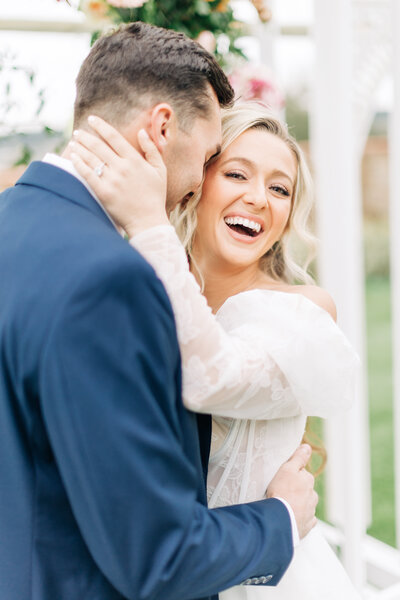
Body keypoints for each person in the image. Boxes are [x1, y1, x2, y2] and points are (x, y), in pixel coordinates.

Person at [0, 23, 318, 600]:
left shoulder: (9, 223)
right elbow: (157, 555)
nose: (199, 180)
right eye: (210, 158)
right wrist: (282, 519)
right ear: (163, 128)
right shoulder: (110, 279)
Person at [69, 101, 362, 599]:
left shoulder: (302, 313)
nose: (258, 198)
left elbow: (211, 378)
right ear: (196, 183)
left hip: (269, 578)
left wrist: (149, 221)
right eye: (236, 174)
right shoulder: (142, 288)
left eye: (279, 189)